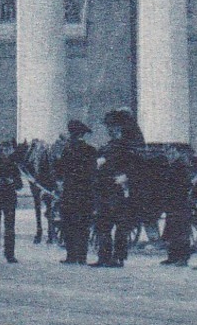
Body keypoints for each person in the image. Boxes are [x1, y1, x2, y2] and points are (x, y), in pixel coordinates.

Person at [93, 109, 138, 267]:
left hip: (118, 190)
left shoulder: (127, 147)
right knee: (102, 224)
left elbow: (135, 166)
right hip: (104, 188)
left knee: (120, 225)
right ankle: (103, 257)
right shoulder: (107, 146)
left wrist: (126, 177)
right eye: (109, 127)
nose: (110, 130)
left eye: (113, 127)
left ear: (120, 128)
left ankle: (118, 258)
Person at [57, 119, 97, 264]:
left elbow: (60, 171)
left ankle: (71, 255)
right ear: (83, 134)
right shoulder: (91, 150)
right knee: (84, 225)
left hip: (69, 193)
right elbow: (93, 173)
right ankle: (82, 256)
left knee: (68, 224)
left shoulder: (67, 150)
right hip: (86, 194)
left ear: (72, 134)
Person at [158, 145, 195, 266]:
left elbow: (184, 185)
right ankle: (172, 256)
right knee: (171, 230)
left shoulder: (182, 166)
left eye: (172, 152)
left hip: (181, 203)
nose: (170, 155)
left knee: (181, 231)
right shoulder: (172, 165)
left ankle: (183, 258)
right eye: (168, 153)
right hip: (172, 203)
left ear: (178, 152)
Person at [26, 137, 59, 244]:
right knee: (48, 206)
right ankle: (49, 232)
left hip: (42, 181)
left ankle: (42, 231)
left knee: (41, 206)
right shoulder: (47, 153)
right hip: (47, 182)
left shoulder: (35, 154)